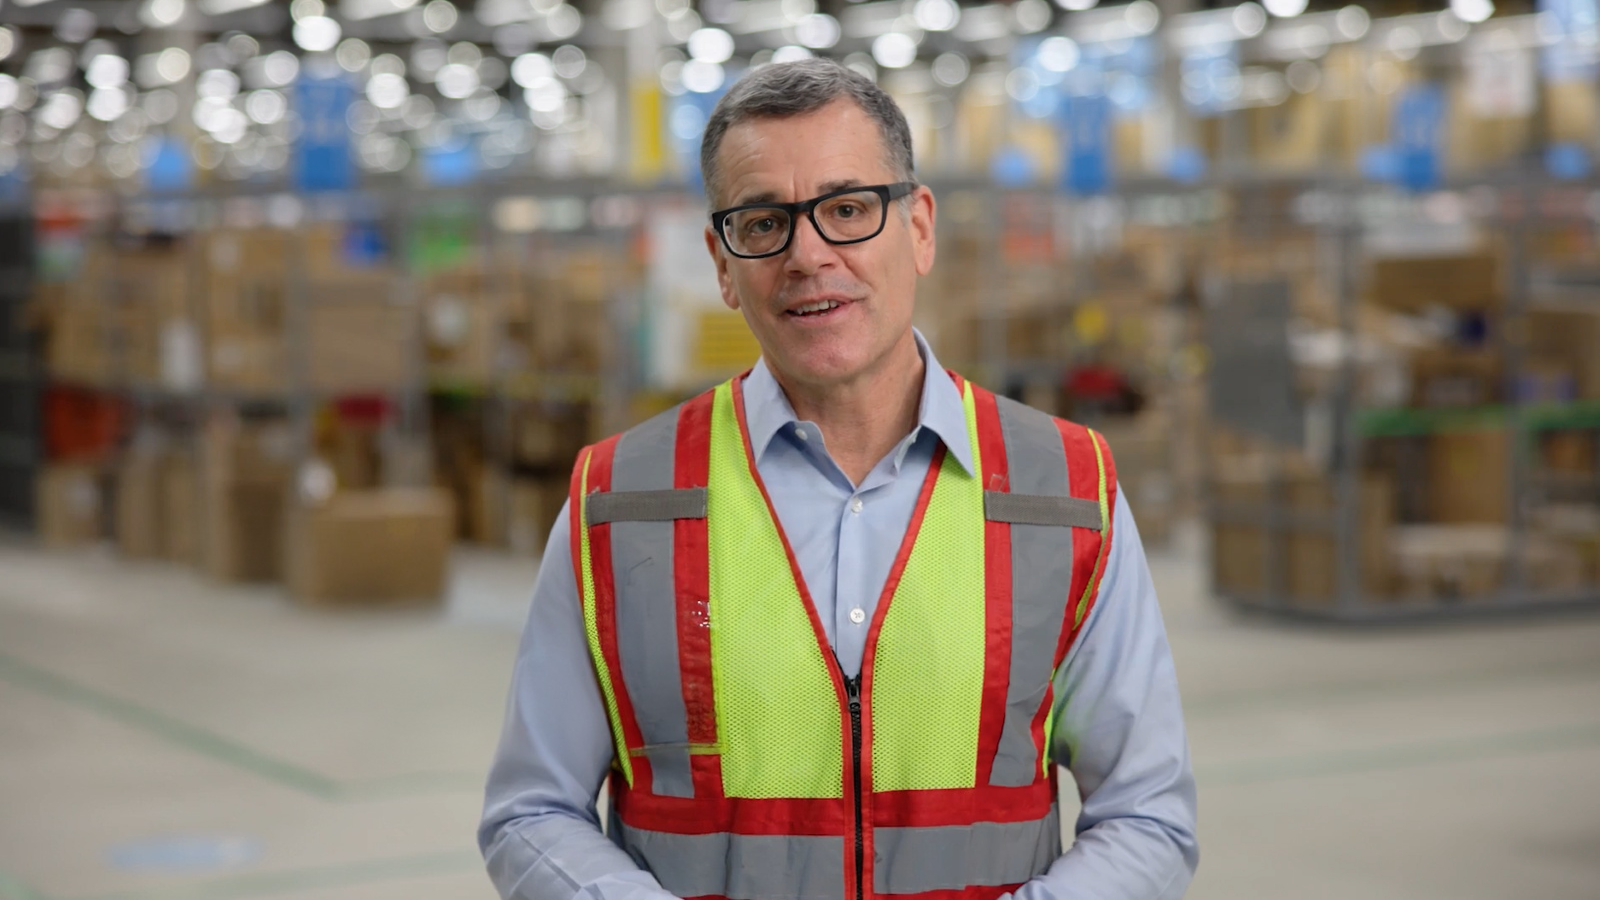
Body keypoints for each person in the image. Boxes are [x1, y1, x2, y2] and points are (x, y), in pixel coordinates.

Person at [480, 58, 1198, 900]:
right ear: (721, 262)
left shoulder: (1067, 492)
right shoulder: (616, 504)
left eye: (848, 209)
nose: (808, 256)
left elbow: (1148, 815)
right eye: (761, 224)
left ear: (920, 227)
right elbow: (531, 811)